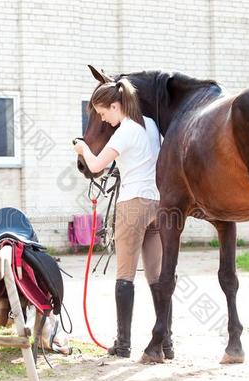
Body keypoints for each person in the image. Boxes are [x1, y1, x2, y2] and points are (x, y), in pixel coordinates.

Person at [73, 78, 173, 359]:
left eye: (105, 114)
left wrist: (82, 148)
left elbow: (95, 166)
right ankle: (166, 342)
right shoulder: (151, 126)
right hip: (157, 203)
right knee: (157, 276)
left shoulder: (124, 132)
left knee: (125, 275)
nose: (105, 120)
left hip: (131, 205)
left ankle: (123, 343)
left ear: (116, 106)